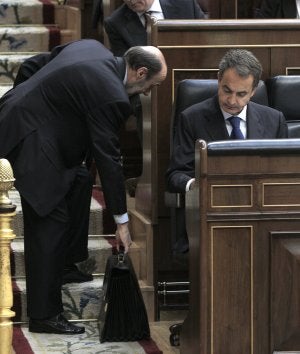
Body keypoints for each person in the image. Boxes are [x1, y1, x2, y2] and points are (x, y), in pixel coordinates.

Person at [0, 39, 167, 335]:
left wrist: (25, 98)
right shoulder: (112, 95)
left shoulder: (93, 47)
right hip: (32, 140)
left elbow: (32, 65)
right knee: (49, 220)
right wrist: (122, 221)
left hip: (26, 119)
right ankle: (44, 315)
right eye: (152, 85)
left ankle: (62, 265)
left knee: (79, 181)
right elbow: (109, 159)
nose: (148, 92)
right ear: (141, 72)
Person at [166, 49, 287, 253]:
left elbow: (284, 175)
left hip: (261, 215)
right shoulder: (192, 118)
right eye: (226, 90)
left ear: (254, 90)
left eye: (241, 94)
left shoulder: (274, 120)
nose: (232, 101)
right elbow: (174, 175)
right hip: (212, 215)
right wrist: (195, 186)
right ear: (218, 80)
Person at [104, 0, 206, 57]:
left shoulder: (184, 3)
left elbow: (206, 36)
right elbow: (126, 65)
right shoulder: (115, 23)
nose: (131, 1)